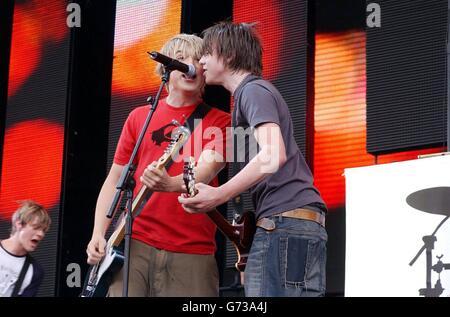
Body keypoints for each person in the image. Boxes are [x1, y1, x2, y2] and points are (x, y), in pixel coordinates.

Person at [179, 22, 328, 297]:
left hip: (283, 224)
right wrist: (245, 246)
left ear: (230, 56)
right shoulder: (245, 101)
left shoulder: (253, 91)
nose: (201, 61)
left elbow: (273, 155)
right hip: (286, 224)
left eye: (207, 53)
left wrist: (218, 194)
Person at [86, 34, 230, 297]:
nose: (191, 65)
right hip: (133, 241)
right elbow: (115, 178)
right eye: (182, 59)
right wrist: (98, 233)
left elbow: (207, 172)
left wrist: (170, 184)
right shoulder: (138, 117)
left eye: (198, 60)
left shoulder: (222, 121)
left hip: (192, 249)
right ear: (166, 69)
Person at [0, 200, 51, 297]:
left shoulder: (35, 271)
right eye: (36, 227)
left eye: (44, 230)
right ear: (19, 224)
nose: (41, 234)